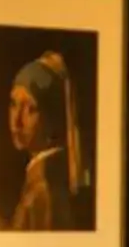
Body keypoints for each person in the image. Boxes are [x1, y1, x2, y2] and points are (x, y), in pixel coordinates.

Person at [6, 50, 90, 231]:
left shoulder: (42, 191)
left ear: (51, 117)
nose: (17, 121)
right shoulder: (37, 183)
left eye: (31, 109)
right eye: (13, 104)